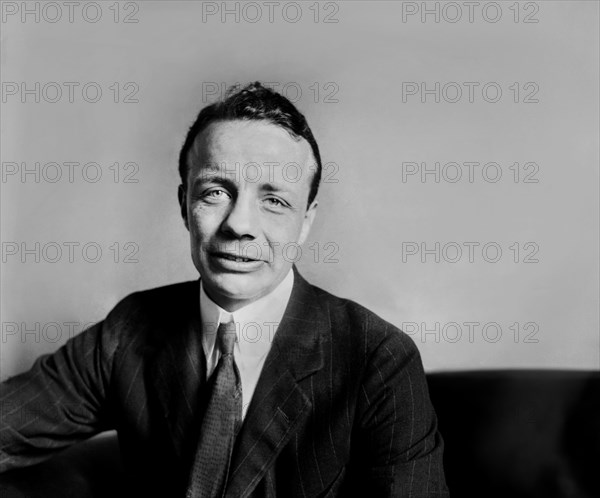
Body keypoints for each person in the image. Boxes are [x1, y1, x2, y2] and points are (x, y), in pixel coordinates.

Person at [0, 82, 449, 497]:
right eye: (216, 191)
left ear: (306, 220)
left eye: (274, 201)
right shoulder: (130, 330)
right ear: (184, 204)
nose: (239, 225)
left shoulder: (378, 358)